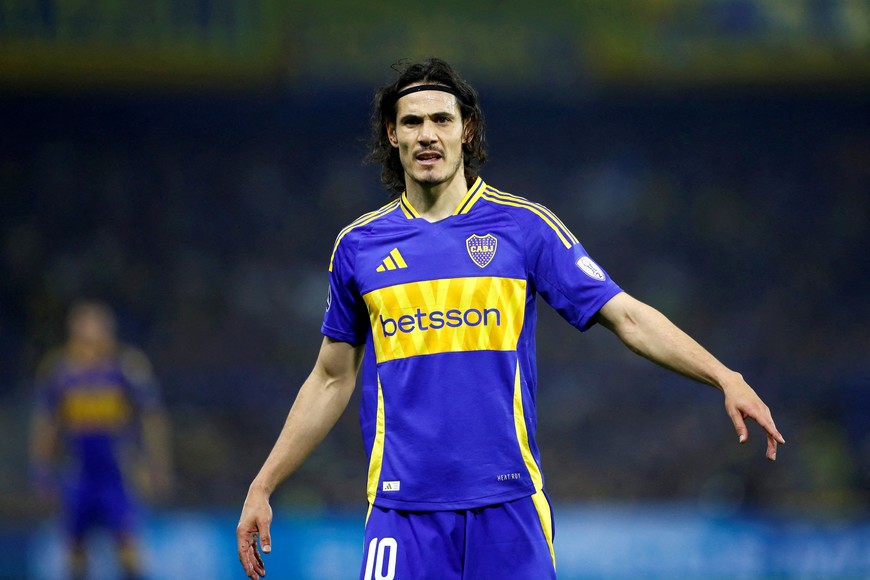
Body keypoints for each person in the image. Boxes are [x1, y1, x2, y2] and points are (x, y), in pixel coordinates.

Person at [236, 57, 785, 580]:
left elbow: (627, 316)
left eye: (442, 120)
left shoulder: (524, 228)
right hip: (403, 511)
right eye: (412, 122)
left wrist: (724, 376)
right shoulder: (359, 247)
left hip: (509, 505)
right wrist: (263, 484)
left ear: (466, 130)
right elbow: (332, 377)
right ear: (392, 135)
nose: (428, 134)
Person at [29, 300, 172, 580]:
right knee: (75, 550)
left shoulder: (125, 367)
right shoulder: (60, 372)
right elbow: (47, 422)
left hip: (117, 473)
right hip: (78, 473)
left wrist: (156, 463)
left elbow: (151, 417)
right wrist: (41, 466)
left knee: (130, 550)